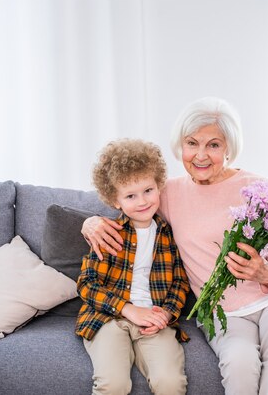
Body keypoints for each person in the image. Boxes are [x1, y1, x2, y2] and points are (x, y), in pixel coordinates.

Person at [82, 97, 268, 395]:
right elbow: (128, 200)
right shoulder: (167, 193)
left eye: (214, 145)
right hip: (223, 311)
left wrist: (266, 274)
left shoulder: (258, 189)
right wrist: (90, 223)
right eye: (192, 143)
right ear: (181, 146)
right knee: (239, 367)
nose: (201, 155)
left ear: (229, 147)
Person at [75, 138, 190, 395]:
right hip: (109, 318)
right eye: (130, 195)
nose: (142, 201)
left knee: (170, 383)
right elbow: (87, 284)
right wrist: (127, 309)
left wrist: (167, 313)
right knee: (114, 384)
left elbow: (180, 282)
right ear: (116, 201)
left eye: (148, 190)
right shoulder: (108, 233)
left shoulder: (168, 233)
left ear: (159, 185)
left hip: (154, 317)